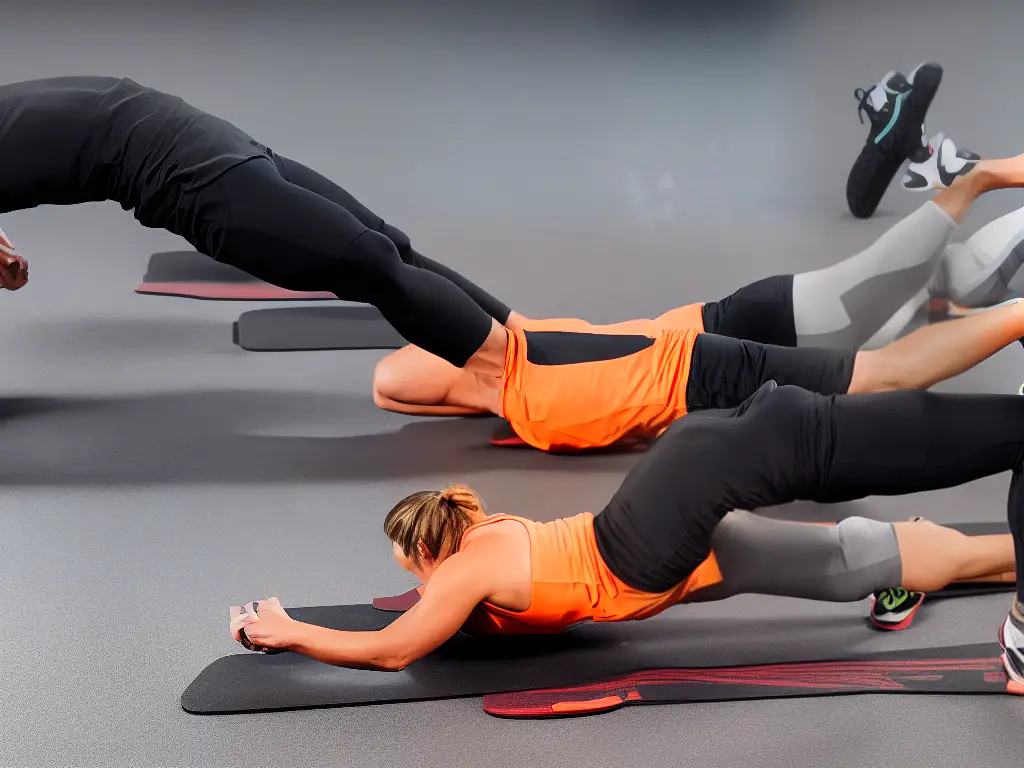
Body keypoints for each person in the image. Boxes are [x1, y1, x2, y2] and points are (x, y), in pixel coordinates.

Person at [229, 381, 1024, 691]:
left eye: (413, 567)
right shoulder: (485, 525)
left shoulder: (464, 572)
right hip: (677, 541)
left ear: (431, 551)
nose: (418, 584)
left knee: (790, 438)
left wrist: (292, 629)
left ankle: (1003, 424)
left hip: (647, 543)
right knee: (857, 563)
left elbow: (394, 650)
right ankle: (943, 553)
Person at [372, 152, 1024, 451]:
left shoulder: (519, 364)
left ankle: (975, 178)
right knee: (944, 292)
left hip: (738, 338)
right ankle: (975, 196)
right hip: (731, 341)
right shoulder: (523, 374)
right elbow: (392, 389)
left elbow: (392, 379)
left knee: (896, 337)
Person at [0, 76, 514, 373]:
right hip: (187, 138)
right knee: (382, 253)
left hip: (193, 169)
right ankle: (520, 361)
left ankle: (521, 356)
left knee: (380, 256)